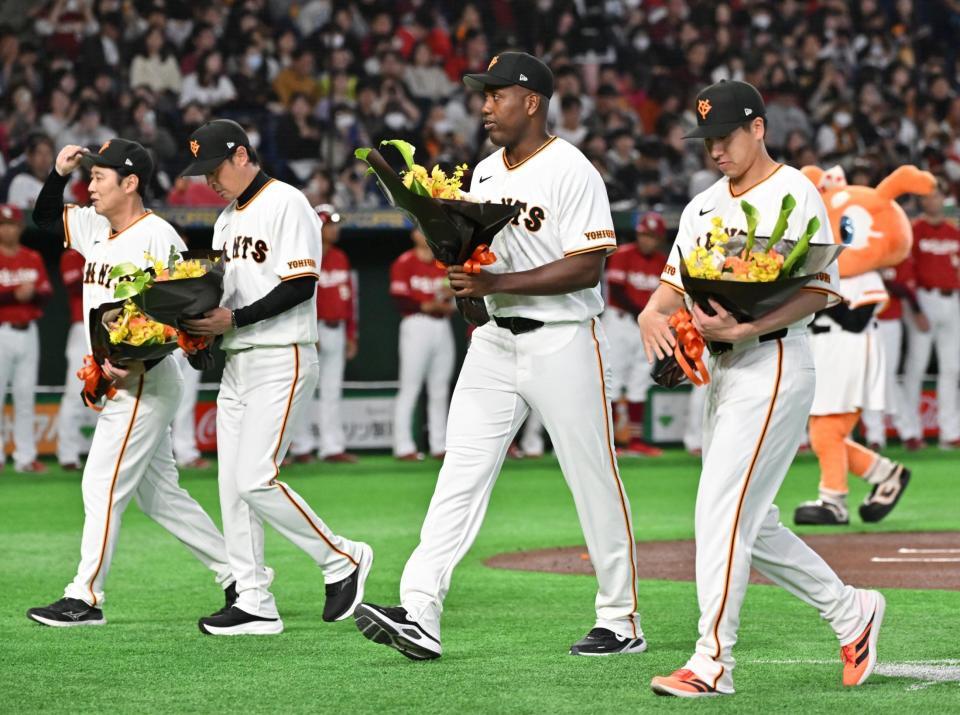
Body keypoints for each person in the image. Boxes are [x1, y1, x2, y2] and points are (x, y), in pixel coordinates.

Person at [354, 52, 644, 660]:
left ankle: (620, 619)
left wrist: (494, 287)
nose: (484, 106)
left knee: (591, 478)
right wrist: (462, 272)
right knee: (459, 472)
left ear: (532, 101)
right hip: (493, 340)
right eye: (482, 95)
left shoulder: (572, 169)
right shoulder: (484, 173)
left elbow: (588, 264)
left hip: (564, 338)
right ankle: (419, 610)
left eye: (496, 95)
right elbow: (478, 257)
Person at [638, 80, 884, 696]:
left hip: (775, 361)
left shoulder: (795, 192)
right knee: (752, 519)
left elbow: (822, 289)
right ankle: (852, 611)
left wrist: (749, 323)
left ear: (757, 128)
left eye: (724, 136)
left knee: (720, 515)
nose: (715, 149)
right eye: (706, 139)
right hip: (725, 371)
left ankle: (711, 663)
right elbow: (673, 284)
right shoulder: (700, 206)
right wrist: (652, 313)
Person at [26, 138, 234, 627]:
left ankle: (84, 596)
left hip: (146, 377)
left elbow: (188, 305)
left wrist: (141, 352)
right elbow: (42, 220)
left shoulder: (157, 235)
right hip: (121, 375)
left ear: (131, 181)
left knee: (100, 483)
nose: (90, 185)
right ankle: (239, 576)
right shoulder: (95, 226)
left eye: (99, 177)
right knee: (159, 495)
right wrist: (57, 174)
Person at [180, 119, 372, 636]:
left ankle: (342, 559)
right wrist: (199, 329)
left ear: (242, 155)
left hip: (280, 355)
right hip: (239, 360)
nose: (210, 180)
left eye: (215, 168)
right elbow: (226, 296)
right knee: (231, 488)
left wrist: (234, 321)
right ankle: (254, 600)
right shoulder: (224, 220)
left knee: (255, 479)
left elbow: (302, 284)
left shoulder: (287, 201)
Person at [289, 204, 359, 464]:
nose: (334, 229)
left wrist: (352, 334)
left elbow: (349, 299)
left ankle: (331, 446)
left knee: (332, 390)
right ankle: (301, 446)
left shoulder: (341, 257)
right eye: (329, 224)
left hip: (336, 329)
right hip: (310, 332)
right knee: (304, 389)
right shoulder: (305, 255)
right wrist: (310, 330)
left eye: (335, 224)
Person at [899, 180, 960, 450]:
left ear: (943, 199)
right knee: (917, 366)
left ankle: (950, 432)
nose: (932, 201)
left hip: (952, 299)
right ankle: (913, 432)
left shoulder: (953, 231)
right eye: (927, 198)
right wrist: (915, 308)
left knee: (952, 368)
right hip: (923, 298)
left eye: (936, 196)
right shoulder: (914, 230)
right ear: (922, 202)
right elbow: (906, 271)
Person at [603, 211, 668, 457]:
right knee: (614, 379)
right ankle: (611, 442)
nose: (647, 240)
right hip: (620, 322)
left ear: (660, 238)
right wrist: (646, 313)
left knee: (640, 379)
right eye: (643, 234)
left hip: (645, 326)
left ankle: (635, 440)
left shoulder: (663, 262)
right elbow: (617, 291)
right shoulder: (623, 254)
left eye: (652, 236)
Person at [388, 228, 455, 461]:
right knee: (410, 387)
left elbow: (454, 300)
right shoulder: (405, 261)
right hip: (415, 324)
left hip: (441, 325)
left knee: (439, 388)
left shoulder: (443, 264)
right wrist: (425, 305)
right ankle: (403, 445)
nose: (424, 233)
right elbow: (400, 298)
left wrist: (449, 300)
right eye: (420, 229)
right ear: (413, 236)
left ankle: (440, 445)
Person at [0, 203, 51, 473]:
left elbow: (46, 291)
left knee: (24, 396)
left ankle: (25, 457)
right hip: (2, 331)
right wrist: (12, 294)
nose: (8, 230)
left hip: (28, 330)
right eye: (3, 225)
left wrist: (31, 294)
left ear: (20, 228)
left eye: (12, 225)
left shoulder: (32, 257)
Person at [862, 259, 928, 449]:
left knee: (888, 377)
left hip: (890, 321)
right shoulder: (864, 256)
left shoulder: (899, 256)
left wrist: (879, 277)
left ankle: (908, 432)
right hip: (863, 322)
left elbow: (904, 290)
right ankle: (875, 436)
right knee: (870, 377)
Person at [55, 246, 88, 470]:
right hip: (82, 328)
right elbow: (75, 284)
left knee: (115, 394)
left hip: (112, 327)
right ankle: (68, 454)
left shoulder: (112, 246)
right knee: (75, 392)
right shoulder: (72, 254)